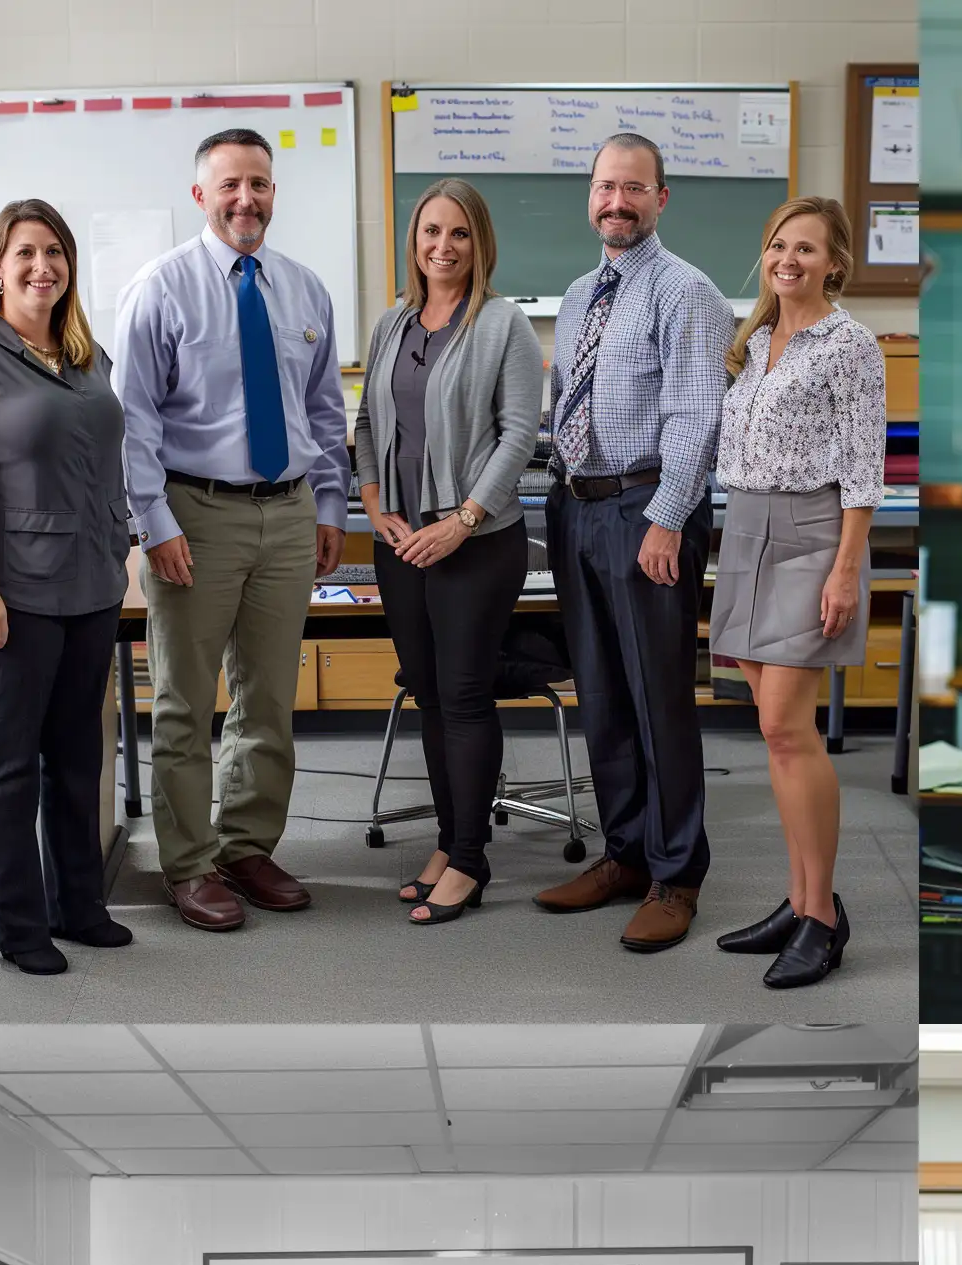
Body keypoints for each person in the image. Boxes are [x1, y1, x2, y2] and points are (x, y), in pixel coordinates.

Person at [112, 127, 349, 933]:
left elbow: (322, 409)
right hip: (195, 517)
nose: (246, 199)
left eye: (260, 184)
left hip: (285, 515)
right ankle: (189, 864)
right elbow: (133, 422)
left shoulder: (305, 289)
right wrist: (155, 524)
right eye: (230, 186)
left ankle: (247, 846)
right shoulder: (161, 288)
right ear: (201, 197)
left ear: (274, 192)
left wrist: (326, 506)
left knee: (269, 700)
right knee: (185, 705)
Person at [533, 132, 732, 952]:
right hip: (579, 510)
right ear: (591, 196)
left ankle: (676, 876)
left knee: (657, 702)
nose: (618, 202)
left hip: (647, 509)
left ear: (660, 199)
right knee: (604, 696)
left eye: (634, 189)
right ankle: (623, 854)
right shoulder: (580, 292)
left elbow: (697, 415)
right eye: (605, 188)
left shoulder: (687, 293)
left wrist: (667, 518)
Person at [0, 200, 133, 975]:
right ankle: (14, 926)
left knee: (79, 756)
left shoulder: (88, 358)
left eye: (55, 251)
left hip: (87, 583)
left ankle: (77, 905)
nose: (41, 266)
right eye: (25, 253)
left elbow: (102, 463)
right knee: (9, 764)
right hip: (3, 589)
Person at [353, 179, 542, 927]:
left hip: (472, 545)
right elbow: (367, 426)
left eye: (458, 233)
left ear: (479, 242)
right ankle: (448, 839)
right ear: (414, 240)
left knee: (463, 698)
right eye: (431, 232)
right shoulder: (394, 322)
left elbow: (520, 434)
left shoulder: (504, 326)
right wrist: (374, 503)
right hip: (401, 543)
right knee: (430, 695)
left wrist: (462, 519)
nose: (443, 246)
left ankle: (471, 859)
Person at [710, 196, 886, 990]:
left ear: (835, 264)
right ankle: (802, 897)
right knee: (774, 732)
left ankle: (821, 919)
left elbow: (863, 469)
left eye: (807, 249)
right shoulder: (752, 341)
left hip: (813, 535)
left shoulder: (851, 345)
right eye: (779, 245)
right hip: (745, 530)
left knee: (787, 726)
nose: (789, 260)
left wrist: (845, 568)